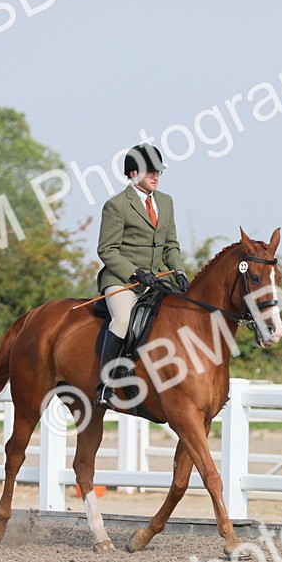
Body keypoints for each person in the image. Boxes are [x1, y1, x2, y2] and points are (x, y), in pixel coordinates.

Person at [93, 142, 190, 407]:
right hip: (122, 281)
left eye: (159, 172)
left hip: (159, 279)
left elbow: (171, 245)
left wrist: (179, 271)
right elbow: (107, 250)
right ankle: (106, 384)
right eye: (151, 173)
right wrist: (135, 273)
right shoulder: (116, 206)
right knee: (122, 320)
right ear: (133, 174)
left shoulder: (166, 202)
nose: (156, 177)